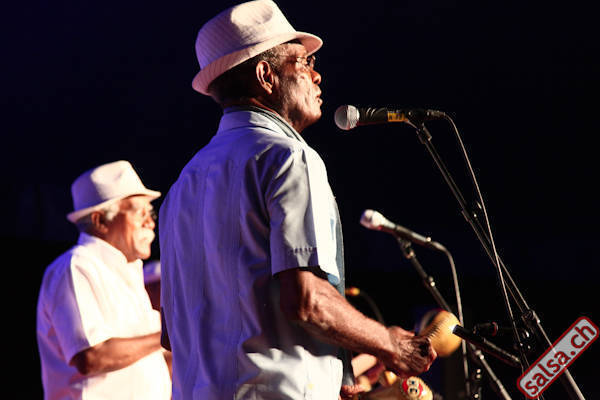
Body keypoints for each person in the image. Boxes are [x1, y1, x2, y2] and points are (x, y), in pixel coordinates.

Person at [158, 1, 436, 399]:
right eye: (304, 62)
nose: (316, 75)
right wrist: (390, 344)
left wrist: (330, 378)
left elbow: (172, 335)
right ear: (265, 75)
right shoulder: (288, 157)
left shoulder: (182, 187)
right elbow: (307, 300)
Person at [36, 160, 172, 400]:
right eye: (139, 213)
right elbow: (91, 356)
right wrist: (167, 334)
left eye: (150, 213)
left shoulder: (126, 272)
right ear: (100, 221)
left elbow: (143, 355)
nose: (150, 223)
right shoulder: (76, 266)